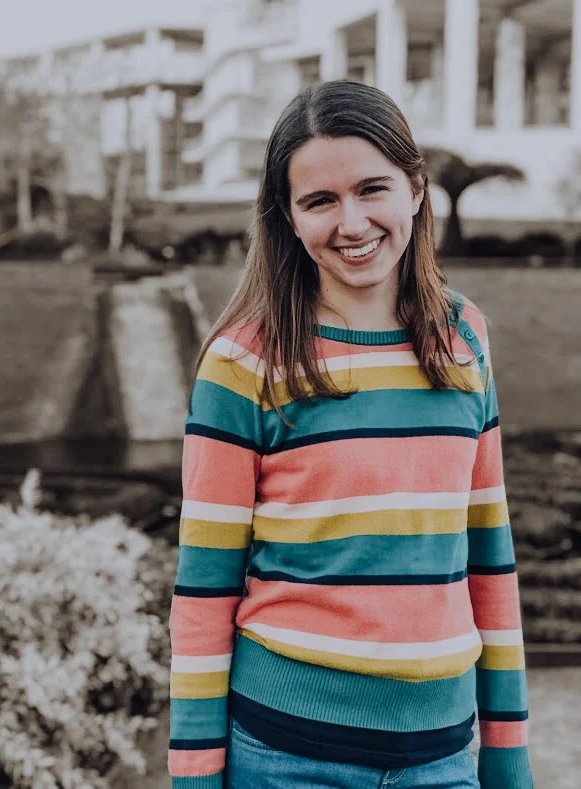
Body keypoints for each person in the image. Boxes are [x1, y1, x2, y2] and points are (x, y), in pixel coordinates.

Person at [167, 80, 534, 789]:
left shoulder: (465, 338)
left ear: (416, 189)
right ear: (288, 217)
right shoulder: (244, 360)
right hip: (285, 758)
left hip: (444, 758)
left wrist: (508, 748)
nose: (352, 222)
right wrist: (194, 774)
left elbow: (491, 555)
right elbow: (205, 591)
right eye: (320, 201)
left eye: (373, 188)